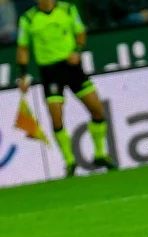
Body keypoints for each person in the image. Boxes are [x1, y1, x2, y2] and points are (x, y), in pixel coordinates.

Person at [16, 0, 117, 177]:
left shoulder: (68, 9)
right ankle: (70, 161)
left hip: (72, 68)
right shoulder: (28, 19)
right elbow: (23, 48)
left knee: (97, 109)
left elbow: (80, 33)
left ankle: (100, 153)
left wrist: (77, 50)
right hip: (50, 72)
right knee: (56, 117)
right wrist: (23, 75)